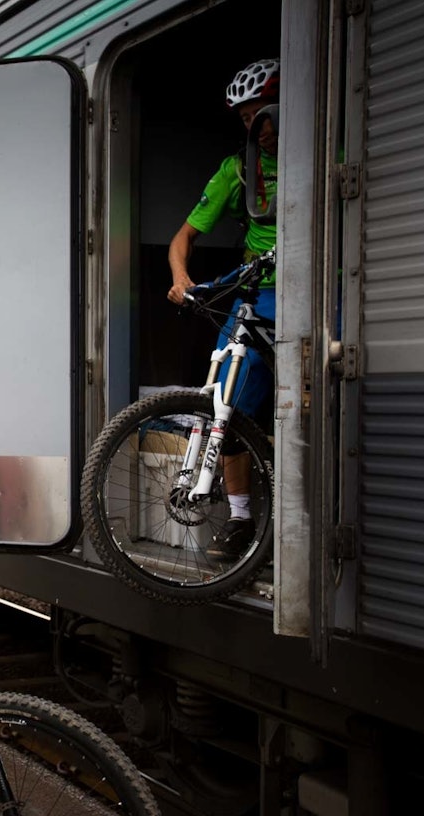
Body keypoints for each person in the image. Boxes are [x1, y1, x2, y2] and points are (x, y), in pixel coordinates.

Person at [167, 58, 279, 562]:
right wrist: (181, 279)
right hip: (259, 289)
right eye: (247, 119)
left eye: (264, 114)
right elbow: (183, 237)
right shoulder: (238, 168)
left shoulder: (329, 153)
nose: (258, 127)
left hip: (322, 289)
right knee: (224, 402)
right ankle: (239, 520)